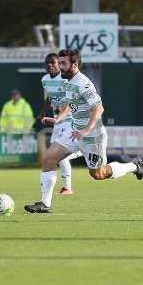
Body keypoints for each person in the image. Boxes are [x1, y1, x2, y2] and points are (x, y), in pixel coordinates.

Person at [24, 49, 143, 213]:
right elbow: (70, 104)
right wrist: (58, 119)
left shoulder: (83, 83)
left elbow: (99, 108)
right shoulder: (67, 82)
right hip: (74, 132)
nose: (60, 66)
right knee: (49, 159)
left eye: (63, 63)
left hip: (92, 137)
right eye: (59, 62)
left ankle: (133, 166)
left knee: (98, 174)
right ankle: (45, 204)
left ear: (75, 64)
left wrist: (86, 130)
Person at [40, 53, 82, 195]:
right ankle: (66, 188)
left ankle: (68, 187)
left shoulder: (65, 80)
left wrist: (63, 112)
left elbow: (72, 101)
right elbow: (49, 99)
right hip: (57, 121)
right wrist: (43, 114)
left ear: (59, 64)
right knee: (55, 157)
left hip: (70, 119)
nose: (49, 65)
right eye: (47, 63)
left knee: (58, 156)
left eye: (53, 62)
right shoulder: (45, 80)